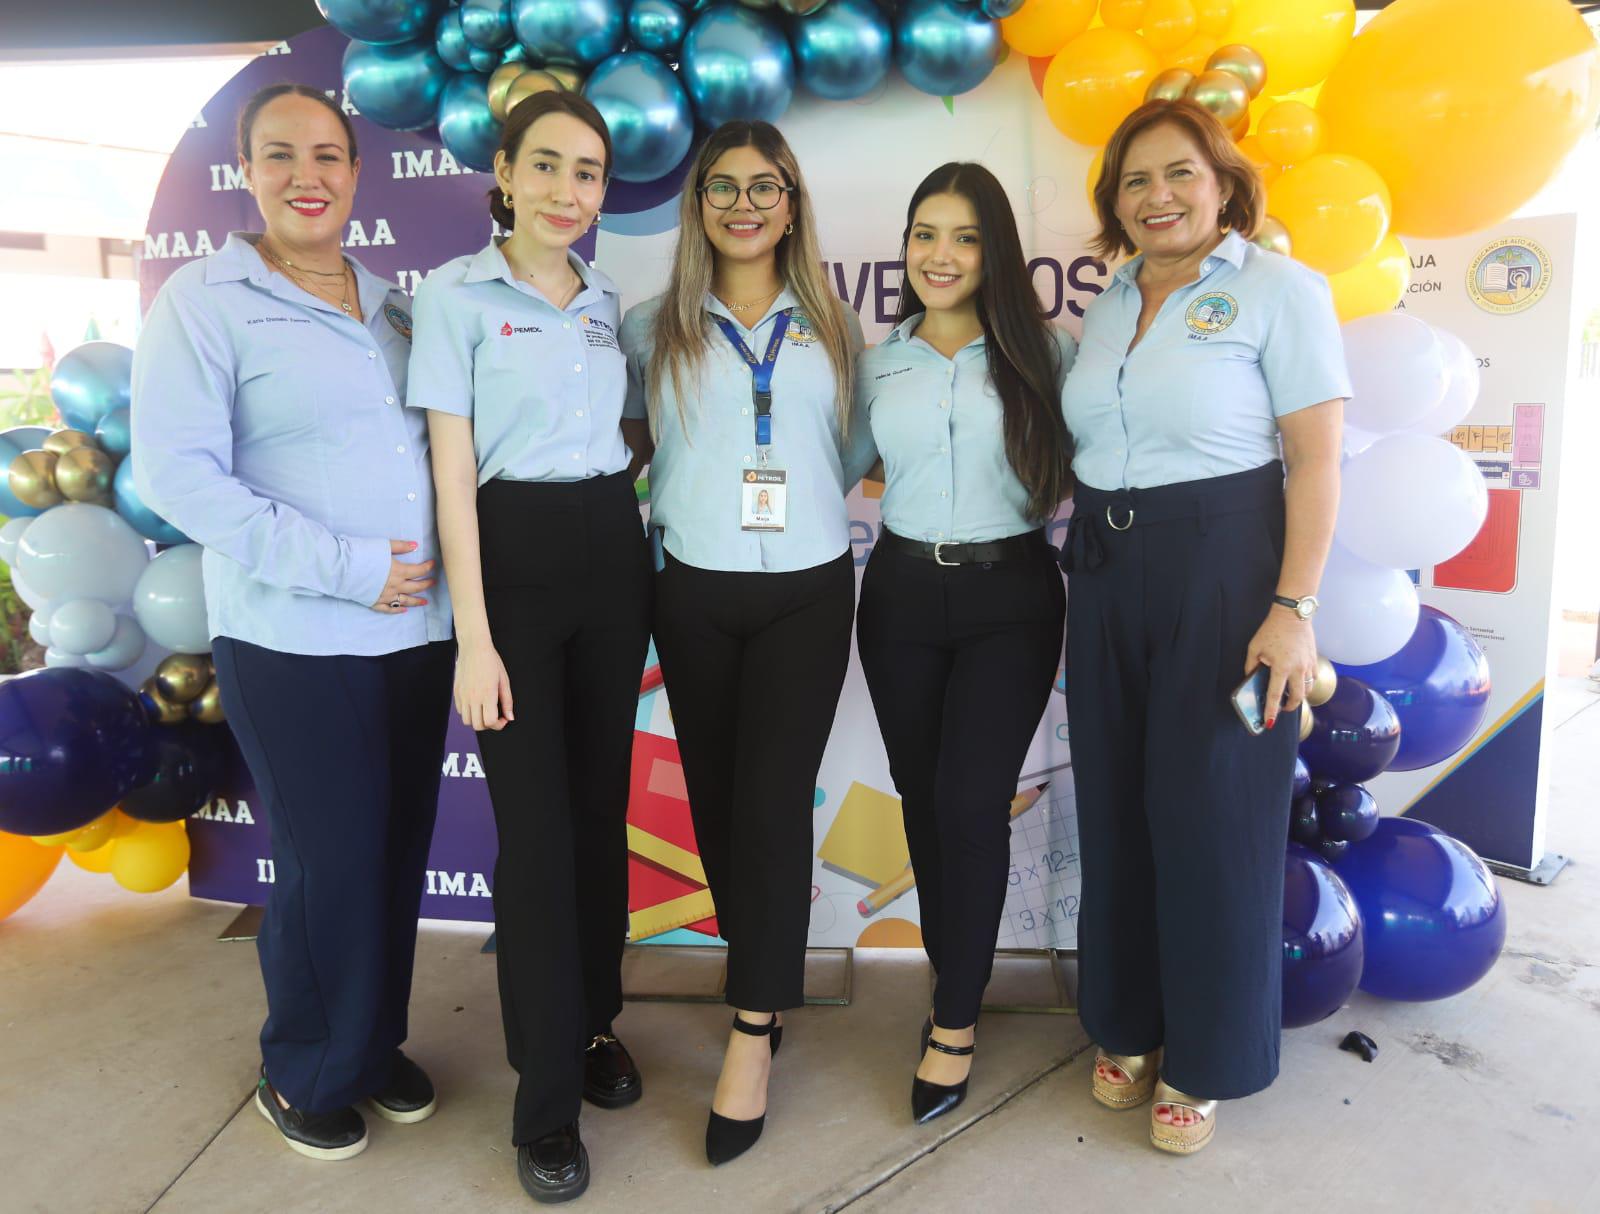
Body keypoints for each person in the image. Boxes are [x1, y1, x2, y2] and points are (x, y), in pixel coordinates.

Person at [130, 83, 453, 1161]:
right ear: (248, 170)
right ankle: (304, 1064)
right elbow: (181, 476)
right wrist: (351, 570)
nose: (306, 174)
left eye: (327, 154)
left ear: (357, 174)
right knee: (330, 859)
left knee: (396, 850)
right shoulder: (205, 300)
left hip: (415, 635)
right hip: (295, 636)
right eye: (281, 154)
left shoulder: (393, 300)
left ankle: (370, 1040)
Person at [1060, 99, 1349, 1156]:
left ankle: (1207, 1053)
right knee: (1120, 803)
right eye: (1134, 182)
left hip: (1226, 573)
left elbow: (1315, 461)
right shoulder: (1108, 302)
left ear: (1221, 183)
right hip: (1103, 570)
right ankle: (1129, 1020)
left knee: (1214, 815)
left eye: (1177, 173)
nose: (1157, 197)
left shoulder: (1280, 289)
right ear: (1115, 205)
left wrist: (1292, 609)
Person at [408, 91, 651, 1204]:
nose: (568, 191)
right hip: (511, 560)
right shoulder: (454, 297)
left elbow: (625, 439)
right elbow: (452, 476)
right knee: (540, 840)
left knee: (600, 822)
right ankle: (543, 1098)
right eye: (546, 167)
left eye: (589, 173)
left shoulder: (607, 299)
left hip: (613, 555)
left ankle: (591, 1023)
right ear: (504, 174)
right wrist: (475, 636)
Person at [619, 119, 868, 1168]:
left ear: (793, 200)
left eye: (764, 186)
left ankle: (754, 1023)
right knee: (720, 802)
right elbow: (629, 442)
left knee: (770, 802)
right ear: (698, 205)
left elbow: (850, 450)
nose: (743, 205)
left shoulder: (836, 327)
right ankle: (756, 965)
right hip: (694, 591)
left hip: (806, 593)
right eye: (722, 187)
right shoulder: (648, 327)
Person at [853, 162, 1076, 1125]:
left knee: (968, 799)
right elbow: (835, 466)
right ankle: (960, 974)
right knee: (921, 800)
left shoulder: (1048, 355)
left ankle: (952, 1022)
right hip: (899, 592)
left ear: (996, 251)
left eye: (965, 236)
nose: (940, 256)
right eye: (924, 234)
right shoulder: (877, 363)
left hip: (1011, 596)